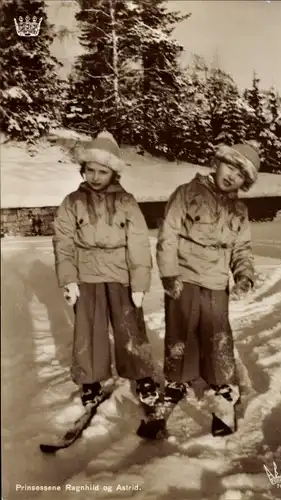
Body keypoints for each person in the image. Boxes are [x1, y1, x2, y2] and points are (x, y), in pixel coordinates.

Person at [53, 131, 163, 438]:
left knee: (130, 329)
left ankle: (142, 377)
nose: (96, 176)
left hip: (121, 275)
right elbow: (63, 242)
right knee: (88, 331)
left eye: (103, 171)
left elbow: (139, 243)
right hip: (86, 276)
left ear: (114, 173)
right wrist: (68, 279)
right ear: (83, 169)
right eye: (91, 170)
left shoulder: (126, 202)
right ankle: (90, 380)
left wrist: (140, 283)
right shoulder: (72, 202)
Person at [156, 142, 260, 437]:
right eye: (230, 166)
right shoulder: (186, 193)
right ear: (218, 162)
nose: (232, 175)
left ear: (245, 182)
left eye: (240, 174)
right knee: (179, 332)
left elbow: (242, 248)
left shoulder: (239, 210)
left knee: (217, 336)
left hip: (215, 282)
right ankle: (176, 380)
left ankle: (223, 386)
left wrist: (244, 275)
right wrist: (168, 273)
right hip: (183, 278)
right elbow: (168, 235)